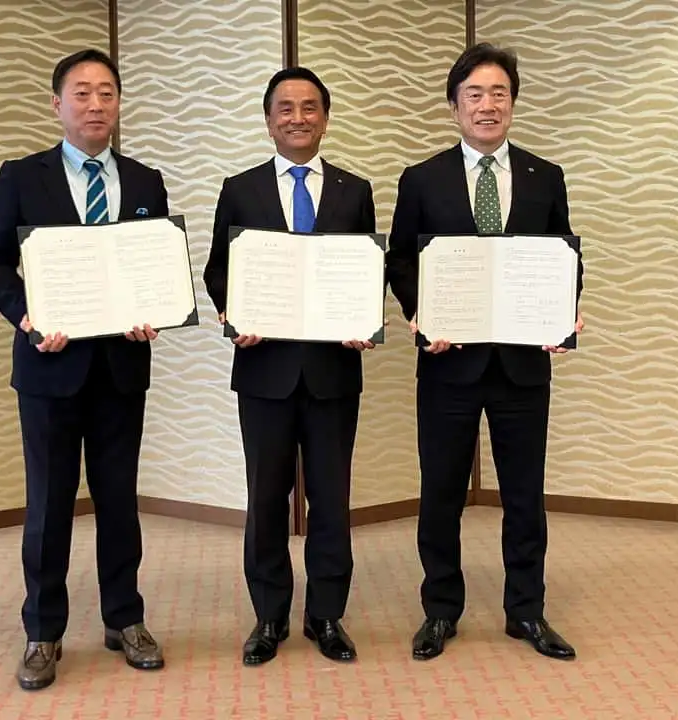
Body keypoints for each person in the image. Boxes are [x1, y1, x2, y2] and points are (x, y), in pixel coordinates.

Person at [0, 49, 169, 691]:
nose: (95, 104)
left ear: (119, 103)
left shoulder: (145, 181)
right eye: (81, 93)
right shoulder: (20, 176)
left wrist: (153, 310)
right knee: (49, 504)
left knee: (119, 500)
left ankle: (125, 619)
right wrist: (27, 317)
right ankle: (43, 630)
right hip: (48, 368)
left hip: (121, 367)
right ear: (57, 104)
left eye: (106, 92)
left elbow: (152, 266)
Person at [385, 43, 585, 662]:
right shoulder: (422, 179)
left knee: (525, 494)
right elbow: (400, 260)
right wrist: (421, 313)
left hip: (522, 364)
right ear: (454, 106)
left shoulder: (545, 176)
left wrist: (564, 310)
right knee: (441, 491)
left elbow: (563, 257)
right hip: (449, 361)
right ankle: (440, 610)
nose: (487, 105)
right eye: (474, 94)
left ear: (513, 103)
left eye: (499, 93)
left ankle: (526, 610)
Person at [203, 67, 377, 666]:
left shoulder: (355, 191)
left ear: (325, 118)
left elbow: (365, 268)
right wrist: (234, 314)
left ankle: (326, 614)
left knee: (331, 498)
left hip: (333, 371)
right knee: (266, 498)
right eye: (285, 108)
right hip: (264, 370)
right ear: (268, 120)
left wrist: (363, 319)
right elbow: (219, 269)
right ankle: (269, 615)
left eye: (309, 107)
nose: (297, 118)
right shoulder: (240, 188)